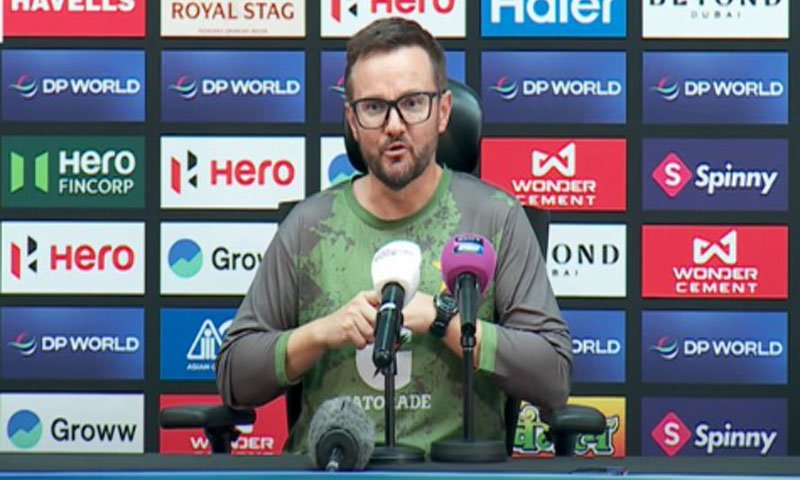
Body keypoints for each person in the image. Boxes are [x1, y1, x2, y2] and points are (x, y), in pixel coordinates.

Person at [216, 17, 571, 455]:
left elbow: (553, 377)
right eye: (373, 107)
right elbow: (234, 377)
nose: (394, 125)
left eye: (413, 103)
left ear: (443, 112)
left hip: (454, 473)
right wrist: (321, 333)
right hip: (334, 470)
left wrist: (446, 323)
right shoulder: (309, 226)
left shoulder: (496, 219)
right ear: (352, 120)